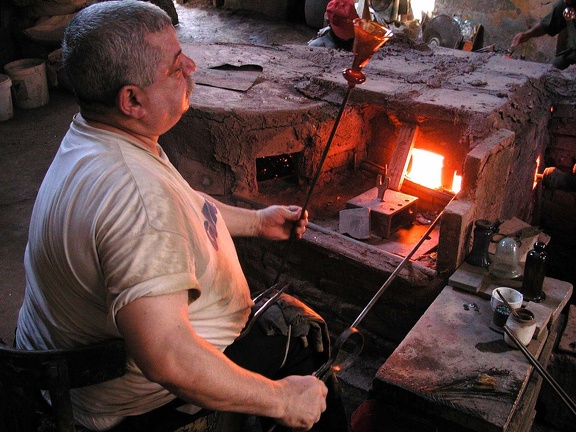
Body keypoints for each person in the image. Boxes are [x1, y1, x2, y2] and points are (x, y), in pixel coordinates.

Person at [14, 1, 346, 431]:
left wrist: (258, 221)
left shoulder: (98, 134)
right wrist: (282, 399)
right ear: (132, 99)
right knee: (309, 342)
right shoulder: (138, 199)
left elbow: (187, 204)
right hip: (128, 404)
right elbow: (168, 357)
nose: (191, 64)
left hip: (74, 374)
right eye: (174, 66)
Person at [510, 0, 576, 70]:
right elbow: (549, 23)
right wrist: (528, 34)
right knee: (550, 71)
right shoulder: (565, 5)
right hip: (572, 53)